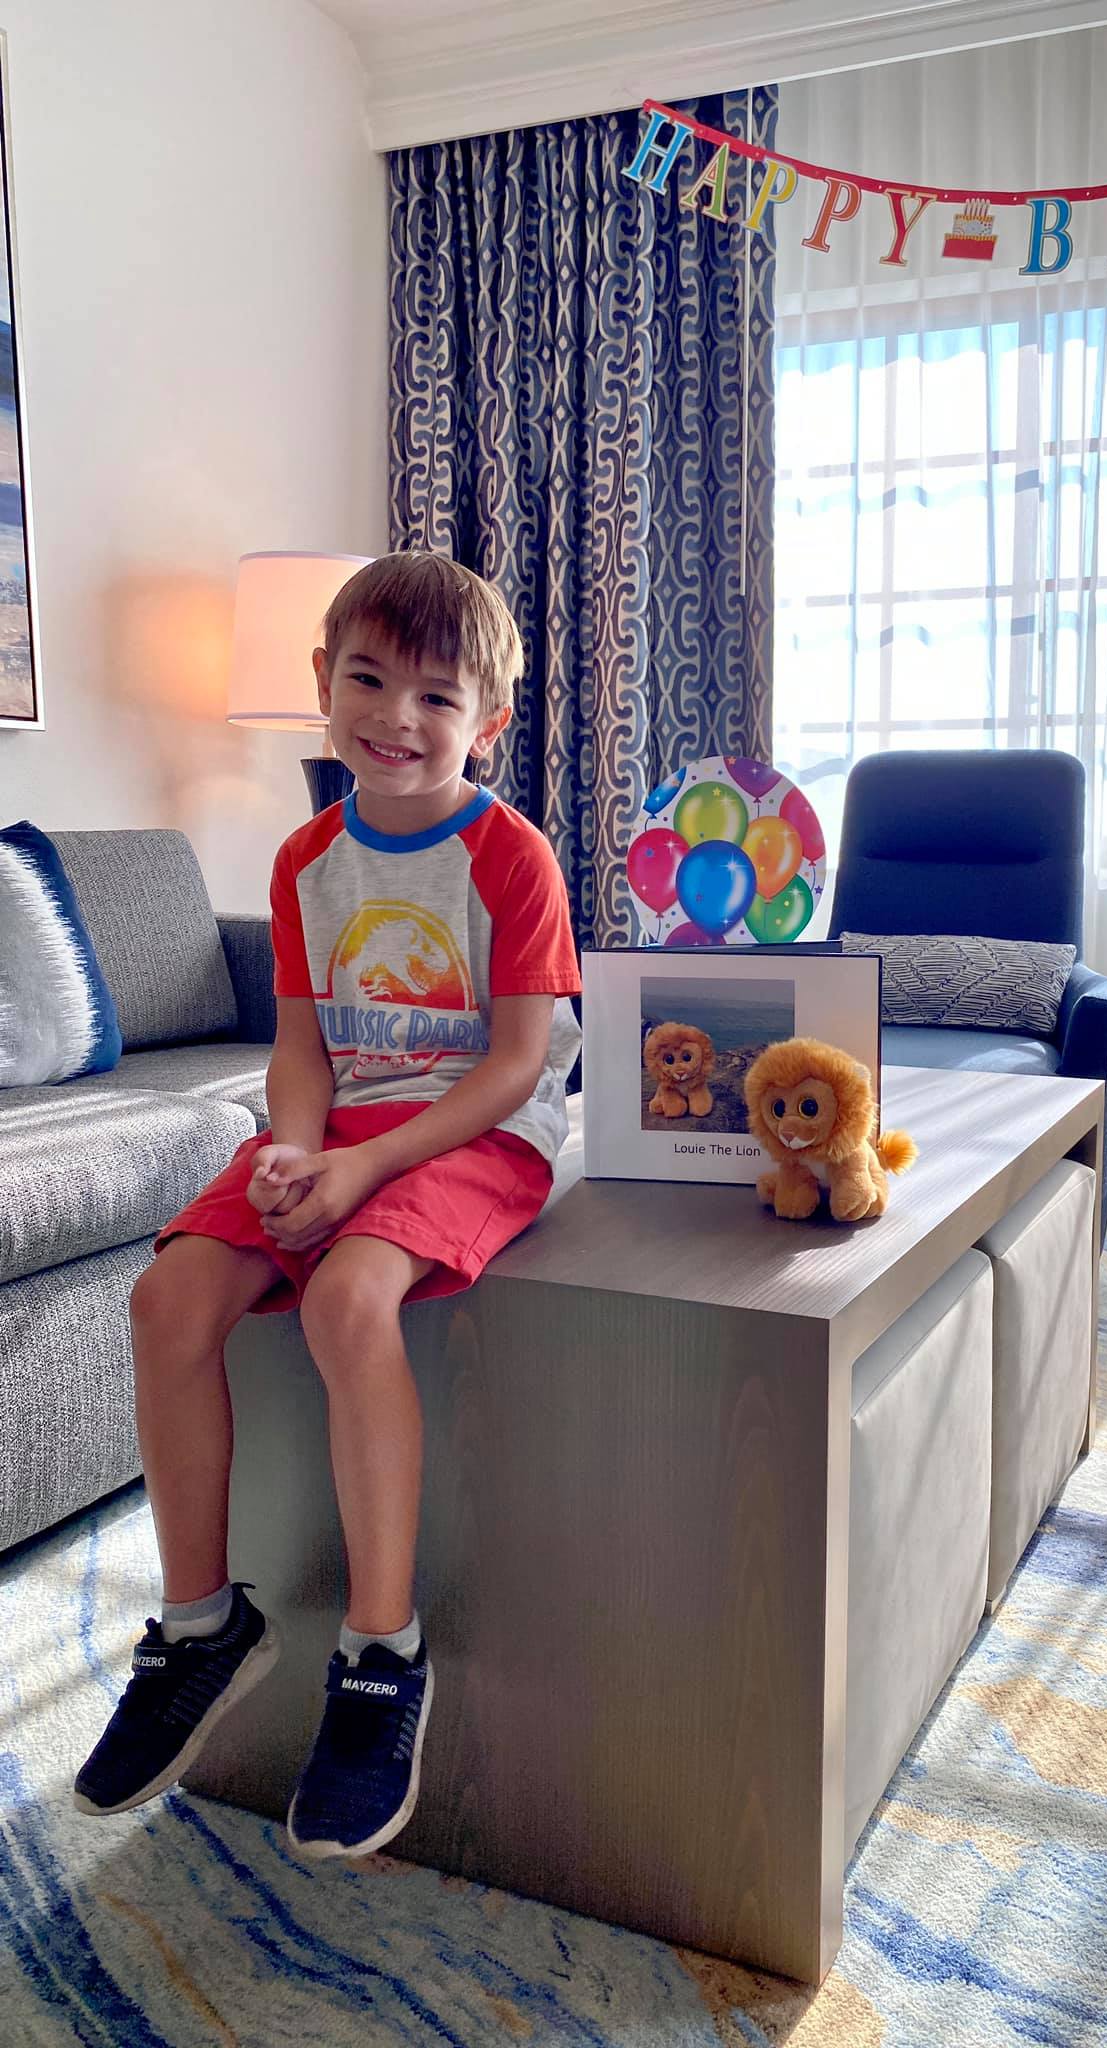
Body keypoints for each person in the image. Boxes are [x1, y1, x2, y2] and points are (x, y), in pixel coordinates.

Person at [73, 552, 581, 1860]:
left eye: (435, 696)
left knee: (351, 1298)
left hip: (476, 1128)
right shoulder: (307, 859)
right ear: (321, 681)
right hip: (342, 1129)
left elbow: (522, 1061)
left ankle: (380, 1653)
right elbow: (300, 1047)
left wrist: (361, 1175)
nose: (396, 718)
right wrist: (295, 1154)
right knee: (167, 1292)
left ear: (489, 724)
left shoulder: (509, 857)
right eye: (367, 678)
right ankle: (200, 1628)